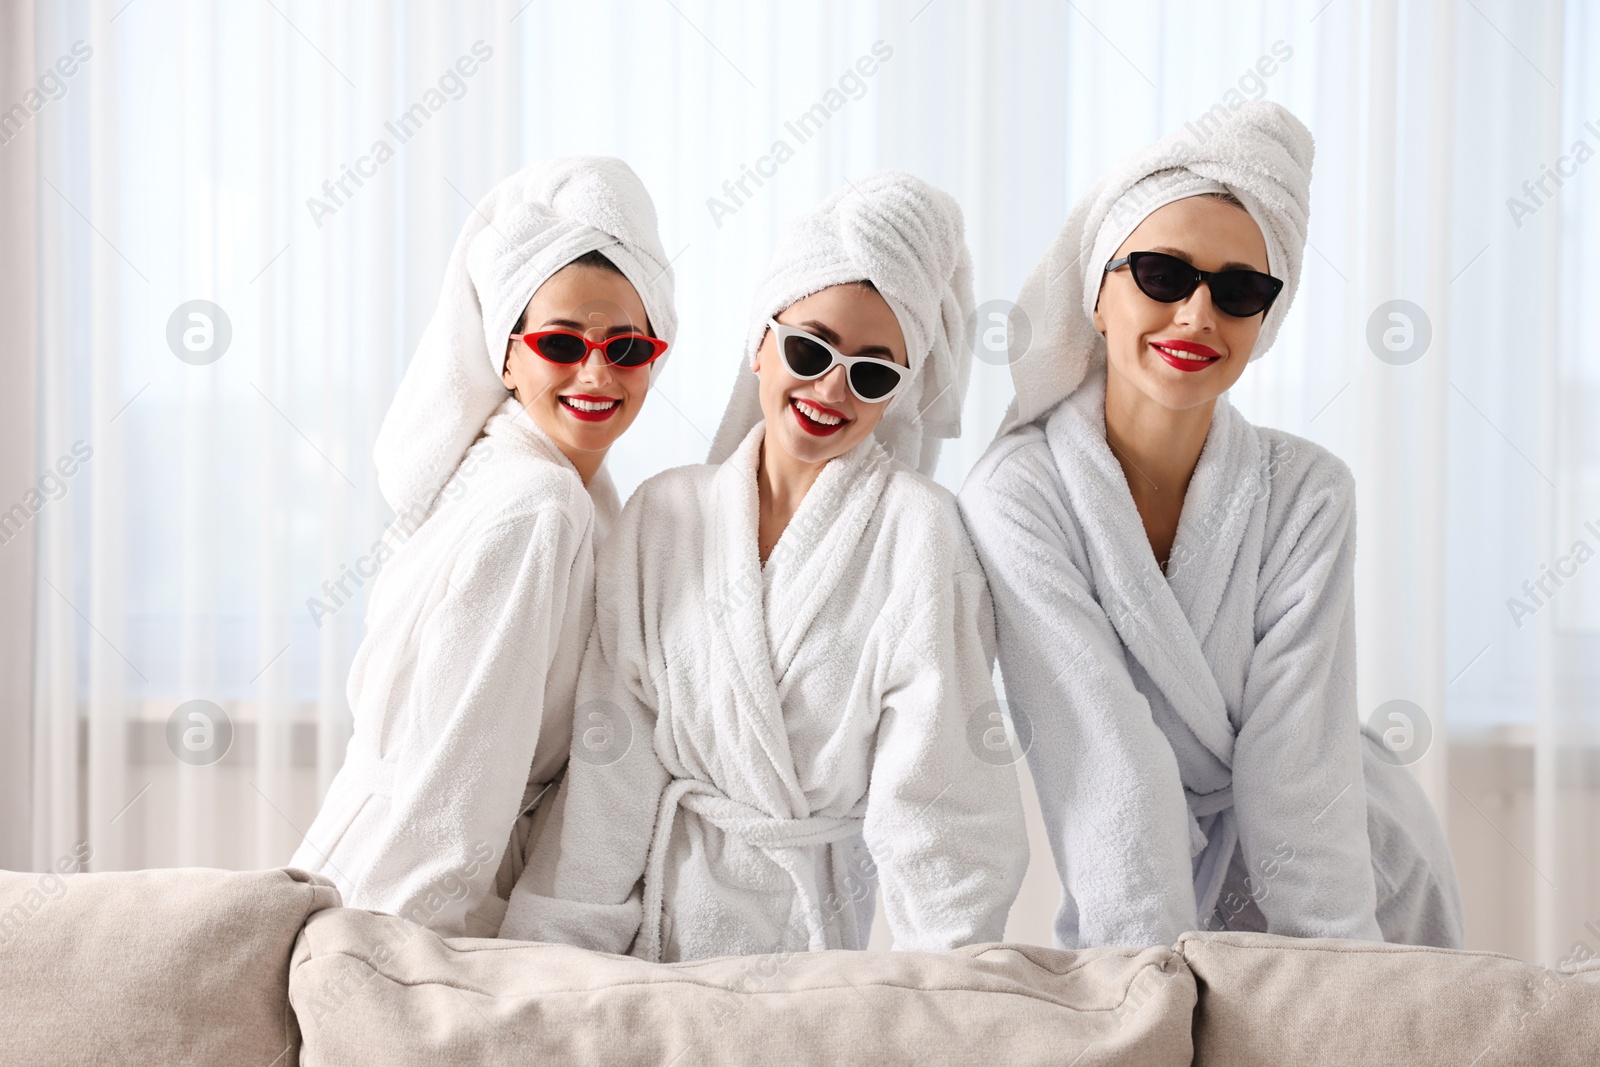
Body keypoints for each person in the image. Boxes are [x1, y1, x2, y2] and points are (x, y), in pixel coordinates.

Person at [960, 102, 1463, 950]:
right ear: (1098, 291)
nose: (1196, 315)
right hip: (1145, 881)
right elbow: (1102, 751)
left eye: (1237, 291)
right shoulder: (1016, 495)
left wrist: (1343, 968)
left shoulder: (1308, 491)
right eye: (1162, 274)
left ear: (1265, 318)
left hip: (1354, 864)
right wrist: (1149, 975)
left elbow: (1297, 760)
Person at [499, 171, 1028, 962]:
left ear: (897, 391)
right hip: (653, 941)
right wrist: (557, 955)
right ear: (759, 342)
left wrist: (944, 993)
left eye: (872, 371)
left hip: (808, 950)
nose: (830, 387)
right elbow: (611, 765)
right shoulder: (663, 515)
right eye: (810, 348)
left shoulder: (920, 533)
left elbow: (939, 799)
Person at [291, 158, 678, 938]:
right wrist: (402, 974)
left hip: (380, 878)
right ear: (507, 355)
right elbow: (456, 786)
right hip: (411, 900)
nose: (597, 371)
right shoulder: (538, 507)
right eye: (561, 343)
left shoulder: (544, 482)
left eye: (627, 348)